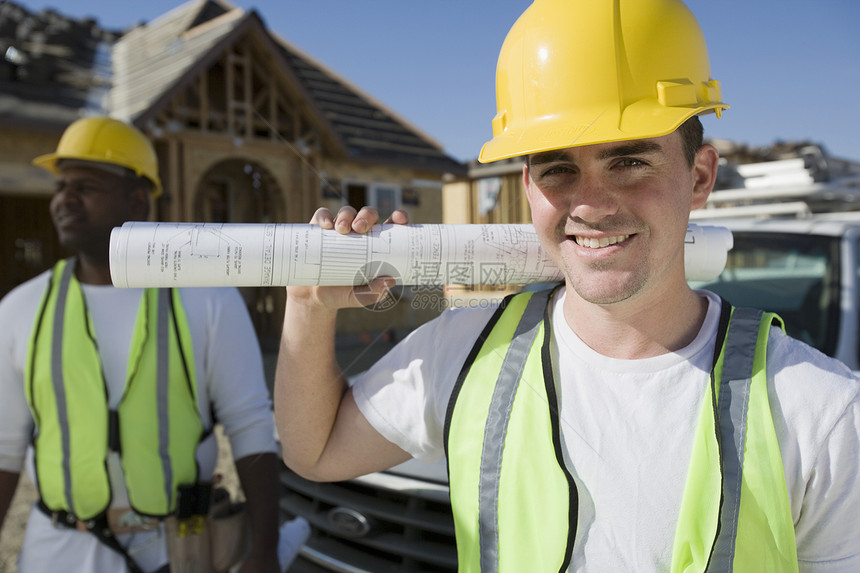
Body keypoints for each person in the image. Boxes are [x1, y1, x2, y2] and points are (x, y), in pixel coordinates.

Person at [274, 0, 860, 571]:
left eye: (630, 162)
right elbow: (316, 451)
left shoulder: (823, 410)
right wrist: (307, 304)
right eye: (559, 169)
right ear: (529, 187)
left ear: (699, 175)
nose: (592, 204)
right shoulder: (467, 352)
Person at [0, 116, 282, 572]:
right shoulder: (20, 310)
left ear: (136, 200)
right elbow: (4, 449)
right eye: (60, 187)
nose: (63, 199)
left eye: (85, 186)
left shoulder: (207, 299)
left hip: (179, 548)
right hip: (56, 553)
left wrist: (263, 553)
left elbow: (250, 426)